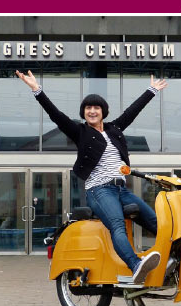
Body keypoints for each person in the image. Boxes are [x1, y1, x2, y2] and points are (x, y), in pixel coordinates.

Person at [16, 69, 168, 283]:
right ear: (84, 112)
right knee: (116, 224)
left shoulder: (114, 129)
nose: (92, 111)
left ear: (103, 111)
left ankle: (172, 259)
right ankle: (135, 266)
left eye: (96, 107)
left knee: (156, 222)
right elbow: (56, 115)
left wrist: (151, 90)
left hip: (121, 189)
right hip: (99, 189)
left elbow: (132, 112)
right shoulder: (80, 132)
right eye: (88, 108)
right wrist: (36, 89)